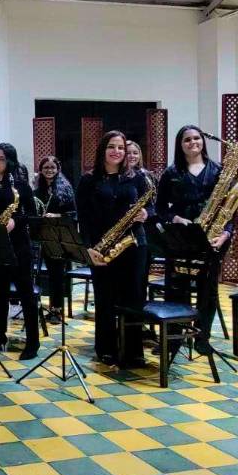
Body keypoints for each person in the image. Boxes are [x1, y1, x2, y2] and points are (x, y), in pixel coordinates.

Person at [155, 125, 232, 354]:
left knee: (208, 291)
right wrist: (175, 218)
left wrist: (225, 233)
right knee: (176, 288)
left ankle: (202, 337)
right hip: (181, 236)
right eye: (187, 140)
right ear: (180, 145)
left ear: (202, 141)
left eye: (196, 138)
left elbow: (229, 208)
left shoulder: (218, 170)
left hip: (212, 237)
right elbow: (160, 208)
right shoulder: (171, 173)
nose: (193, 143)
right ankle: (174, 338)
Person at [77, 132, 151, 367]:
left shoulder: (136, 178)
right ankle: (106, 348)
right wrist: (88, 248)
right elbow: (83, 218)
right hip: (102, 247)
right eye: (111, 146)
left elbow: (153, 208)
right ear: (102, 150)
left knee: (134, 297)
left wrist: (146, 214)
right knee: (105, 298)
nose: (117, 151)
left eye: (121, 147)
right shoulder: (89, 180)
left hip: (134, 245)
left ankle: (133, 350)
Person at [0, 143, 39, 360]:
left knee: (26, 294)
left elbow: (30, 214)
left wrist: (14, 221)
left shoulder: (21, 186)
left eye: (1, 159)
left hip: (18, 245)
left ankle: (33, 342)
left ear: (9, 161)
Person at [33, 156, 76, 322]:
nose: (49, 170)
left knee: (57, 275)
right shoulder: (38, 191)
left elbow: (73, 215)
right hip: (44, 236)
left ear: (58, 169)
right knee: (48, 275)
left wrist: (56, 215)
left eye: (52, 167)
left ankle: (57, 310)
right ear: (41, 170)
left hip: (60, 237)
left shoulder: (65, 189)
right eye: (45, 168)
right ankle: (48, 307)